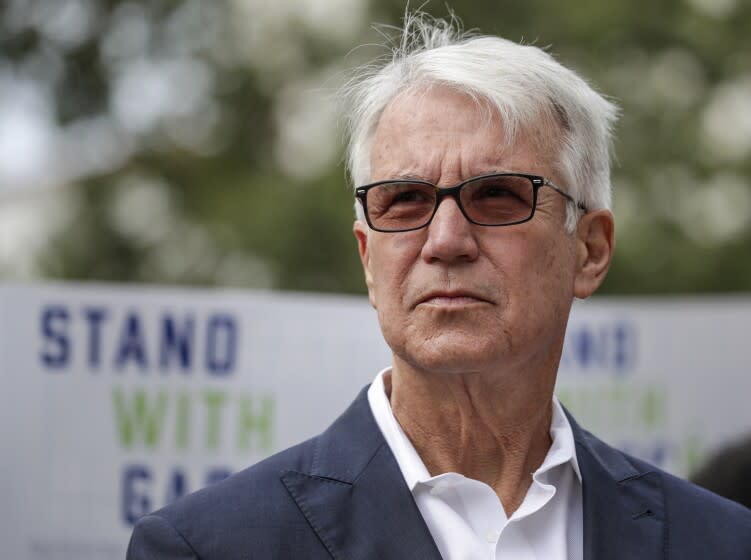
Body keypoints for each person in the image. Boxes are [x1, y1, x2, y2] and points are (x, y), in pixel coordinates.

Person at [127, 13, 751, 559]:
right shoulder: (209, 548)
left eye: (499, 195)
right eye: (404, 200)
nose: (445, 239)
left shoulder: (720, 541)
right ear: (369, 259)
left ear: (589, 251)